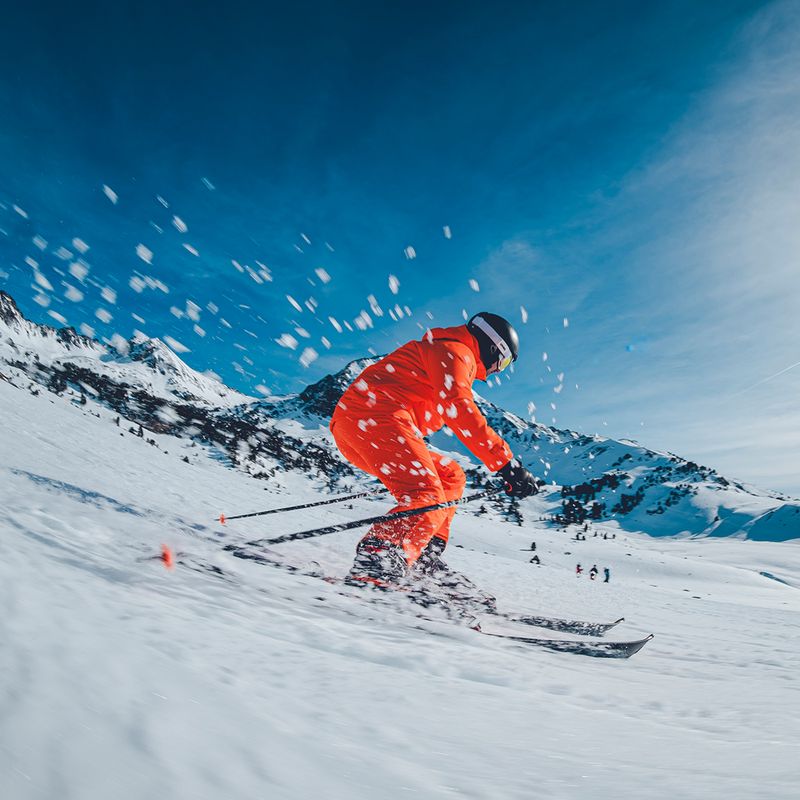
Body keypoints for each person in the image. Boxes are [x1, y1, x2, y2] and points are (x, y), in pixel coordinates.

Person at [330, 312, 538, 587]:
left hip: (366, 425)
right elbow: (459, 409)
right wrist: (506, 464)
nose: (500, 369)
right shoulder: (455, 351)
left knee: (450, 476)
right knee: (425, 492)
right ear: (492, 347)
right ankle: (377, 558)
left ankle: (422, 553)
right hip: (374, 419)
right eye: (505, 360)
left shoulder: (450, 355)